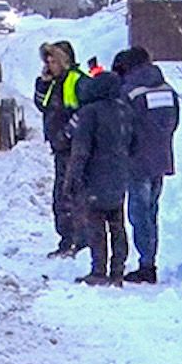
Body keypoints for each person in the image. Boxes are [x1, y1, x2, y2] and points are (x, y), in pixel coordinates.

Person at [114, 46, 179, 283]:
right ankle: (149, 260)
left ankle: (146, 266)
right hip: (160, 158)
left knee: (138, 214)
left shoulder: (129, 92)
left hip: (136, 161)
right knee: (151, 211)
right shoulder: (167, 89)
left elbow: (123, 126)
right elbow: (173, 122)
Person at [68, 66, 135, 286]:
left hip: (95, 175)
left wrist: (73, 177)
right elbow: (133, 142)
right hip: (120, 174)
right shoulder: (125, 110)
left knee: (96, 224)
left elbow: (81, 148)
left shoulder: (90, 112)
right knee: (117, 223)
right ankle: (118, 270)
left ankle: (99, 270)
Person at [35, 41, 88, 258]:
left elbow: (86, 113)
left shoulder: (76, 81)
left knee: (73, 196)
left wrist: (68, 133)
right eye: (47, 60)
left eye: (54, 60)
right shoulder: (53, 82)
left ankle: (79, 241)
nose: (50, 64)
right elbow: (42, 105)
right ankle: (67, 240)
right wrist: (43, 84)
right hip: (60, 148)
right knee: (62, 196)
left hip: (74, 148)